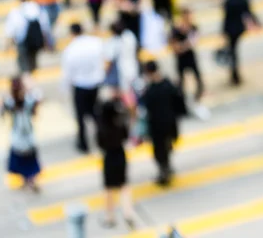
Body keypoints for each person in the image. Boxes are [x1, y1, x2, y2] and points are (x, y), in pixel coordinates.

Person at [62, 23, 105, 153]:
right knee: (95, 113)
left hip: (80, 85)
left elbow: (67, 73)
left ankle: (83, 143)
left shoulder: (70, 49)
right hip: (95, 83)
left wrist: (65, 89)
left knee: (81, 117)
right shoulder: (96, 43)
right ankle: (101, 138)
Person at [141, 61, 184, 185]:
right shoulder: (168, 84)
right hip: (170, 123)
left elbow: (145, 105)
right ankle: (167, 167)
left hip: (157, 126)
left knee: (159, 151)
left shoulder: (150, 90)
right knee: (166, 148)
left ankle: (164, 170)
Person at [96, 99, 135, 229]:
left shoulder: (102, 127)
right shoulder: (119, 124)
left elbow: (99, 144)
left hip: (109, 157)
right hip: (120, 155)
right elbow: (126, 136)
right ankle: (128, 213)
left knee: (109, 188)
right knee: (124, 185)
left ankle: (110, 217)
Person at [3, 77, 42, 193]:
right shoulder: (28, 100)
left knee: (22, 161)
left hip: (19, 137)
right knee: (29, 161)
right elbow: (38, 100)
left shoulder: (11, 101)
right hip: (27, 137)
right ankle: (30, 180)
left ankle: (28, 180)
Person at [5, 0, 51, 78]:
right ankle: (32, 85)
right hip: (37, 41)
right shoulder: (38, 8)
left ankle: (30, 86)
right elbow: (45, 27)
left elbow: (10, 30)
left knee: (24, 69)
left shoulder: (16, 11)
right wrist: (47, 43)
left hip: (23, 42)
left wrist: (8, 45)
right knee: (32, 65)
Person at [222, 0, 260, 86]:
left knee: (233, 52)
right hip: (238, 29)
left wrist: (223, 32)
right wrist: (256, 23)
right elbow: (249, 12)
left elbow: (226, 18)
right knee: (234, 52)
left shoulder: (228, 1)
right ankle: (235, 74)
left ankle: (234, 74)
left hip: (230, 30)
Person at [170, 8, 205, 104]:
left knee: (199, 80)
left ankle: (196, 99)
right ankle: (182, 101)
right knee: (181, 82)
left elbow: (195, 41)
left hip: (190, 56)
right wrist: (187, 44)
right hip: (181, 58)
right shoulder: (176, 30)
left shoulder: (193, 27)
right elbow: (176, 47)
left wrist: (184, 45)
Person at [104, 21, 139, 108]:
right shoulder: (130, 35)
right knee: (133, 92)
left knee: (127, 95)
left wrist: (105, 73)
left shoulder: (115, 41)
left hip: (123, 71)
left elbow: (109, 59)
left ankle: (133, 116)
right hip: (134, 66)